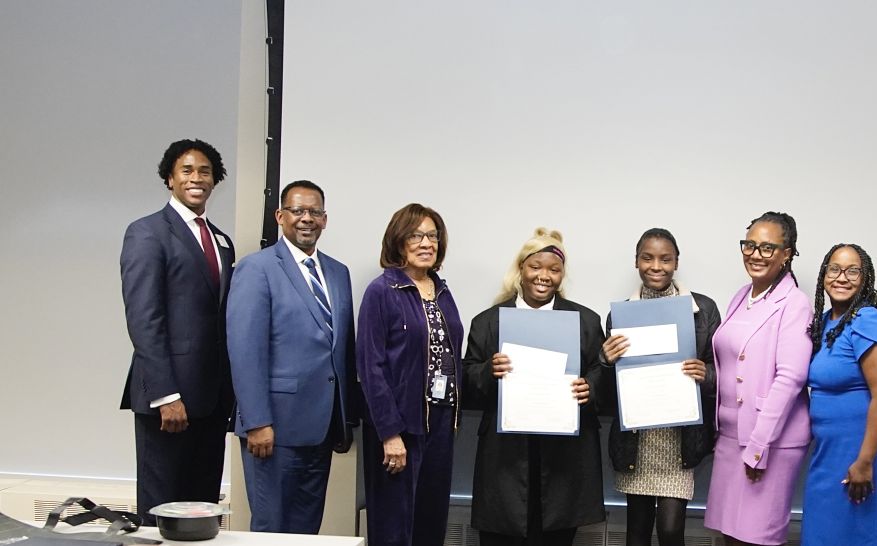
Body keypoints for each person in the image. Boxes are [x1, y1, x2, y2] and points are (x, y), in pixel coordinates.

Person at [225, 180, 357, 533]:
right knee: (272, 529)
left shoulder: (338, 272)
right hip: (274, 428)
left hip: (323, 427)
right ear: (280, 216)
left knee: (306, 530)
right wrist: (256, 421)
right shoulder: (257, 269)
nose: (306, 219)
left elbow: (341, 351)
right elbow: (245, 351)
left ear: (325, 219)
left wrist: (344, 419)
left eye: (314, 212)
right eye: (298, 211)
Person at [461, 228, 605, 546]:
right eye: (535, 267)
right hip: (505, 461)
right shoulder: (488, 322)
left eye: (554, 270)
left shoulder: (585, 321)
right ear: (521, 269)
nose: (544, 276)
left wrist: (590, 388)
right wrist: (488, 370)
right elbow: (468, 379)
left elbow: (601, 371)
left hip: (564, 460)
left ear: (562, 275)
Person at [120, 138, 236, 525]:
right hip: (168, 401)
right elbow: (144, 320)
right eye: (186, 170)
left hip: (211, 401)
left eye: (205, 171)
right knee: (161, 511)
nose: (196, 178)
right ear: (169, 178)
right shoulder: (147, 233)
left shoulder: (222, 241)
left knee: (201, 511)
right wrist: (166, 395)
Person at [601, 228, 721, 546]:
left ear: (676, 262)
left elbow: (723, 372)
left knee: (670, 531)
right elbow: (611, 387)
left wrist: (705, 373)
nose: (657, 266)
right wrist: (605, 359)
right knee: (637, 533)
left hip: (678, 441)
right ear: (636, 262)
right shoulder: (619, 315)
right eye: (648, 258)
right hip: (637, 443)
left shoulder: (703, 310)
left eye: (665, 259)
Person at [356, 204, 464, 546]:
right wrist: (390, 434)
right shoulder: (382, 291)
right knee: (394, 527)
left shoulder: (442, 291)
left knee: (431, 523)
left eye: (432, 236)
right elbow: (370, 366)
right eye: (416, 235)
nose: (426, 243)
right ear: (399, 241)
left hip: (441, 425)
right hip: (400, 428)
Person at [704, 212, 813, 546]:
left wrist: (759, 446)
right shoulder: (741, 296)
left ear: (787, 253)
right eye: (749, 245)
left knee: (757, 538)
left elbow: (791, 378)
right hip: (730, 437)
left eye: (767, 248)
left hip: (768, 440)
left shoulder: (794, 303)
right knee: (731, 535)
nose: (755, 254)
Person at [800, 243, 877, 546]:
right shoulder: (828, 320)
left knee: (859, 536)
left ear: (865, 277)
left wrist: (865, 461)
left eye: (853, 270)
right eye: (835, 269)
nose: (842, 277)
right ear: (824, 274)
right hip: (828, 452)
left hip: (861, 450)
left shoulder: (867, 320)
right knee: (822, 535)